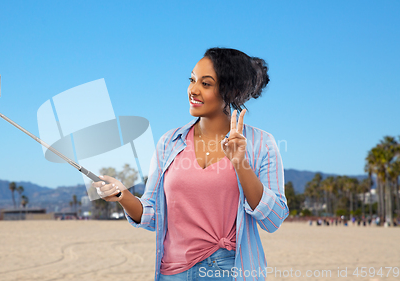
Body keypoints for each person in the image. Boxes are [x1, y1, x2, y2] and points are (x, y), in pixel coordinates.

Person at [93, 47, 289, 280]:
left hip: (228, 269)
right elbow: (153, 216)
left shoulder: (261, 143)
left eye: (206, 84)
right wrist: (123, 195)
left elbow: (273, 219)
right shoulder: (169, 142)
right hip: (172, 271)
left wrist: (241, 164)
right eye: (192, 80)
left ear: (231, 91)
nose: (193, 90)